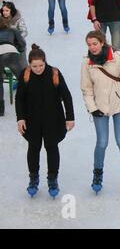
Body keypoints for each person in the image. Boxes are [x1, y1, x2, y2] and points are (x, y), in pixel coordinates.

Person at [81, 30, 120, 194]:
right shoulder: (87, 63)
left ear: (102, 42)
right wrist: (93, 108)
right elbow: (86, 89)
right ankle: (97, 175)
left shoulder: (117, 58)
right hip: (99, 107)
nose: (92, 47)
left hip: (119, 105)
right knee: (102, 142)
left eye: (95, 44)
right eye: (89, 45)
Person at [15, 44, 75, 198]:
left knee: (51, 147)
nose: (38, 69)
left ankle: (53, 178)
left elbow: (66, 96)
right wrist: (20, 118)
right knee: (33, 147)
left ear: (45, 62)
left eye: (41, 65)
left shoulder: (54, 73)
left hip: (53, 119)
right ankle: (33, 178)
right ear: (29, 64)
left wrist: (70, 117)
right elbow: (19, 98)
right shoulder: (25, 74)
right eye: (34, 66)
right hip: (32, 119)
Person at [0, 18, 26, 116]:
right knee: (23, 79)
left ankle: (1, 109)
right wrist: (18, 49)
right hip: (11, 53)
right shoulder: (12, 30)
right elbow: (22, 44)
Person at [1, 1, 28, 67]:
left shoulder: (18, 19)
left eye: (7, 10)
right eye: (3, 10)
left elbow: (24, 31)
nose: (4, 12)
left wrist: (16, 38)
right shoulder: (1, 20)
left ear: (11, 11)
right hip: (4, 44)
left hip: (18, 44)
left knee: (21, 63)